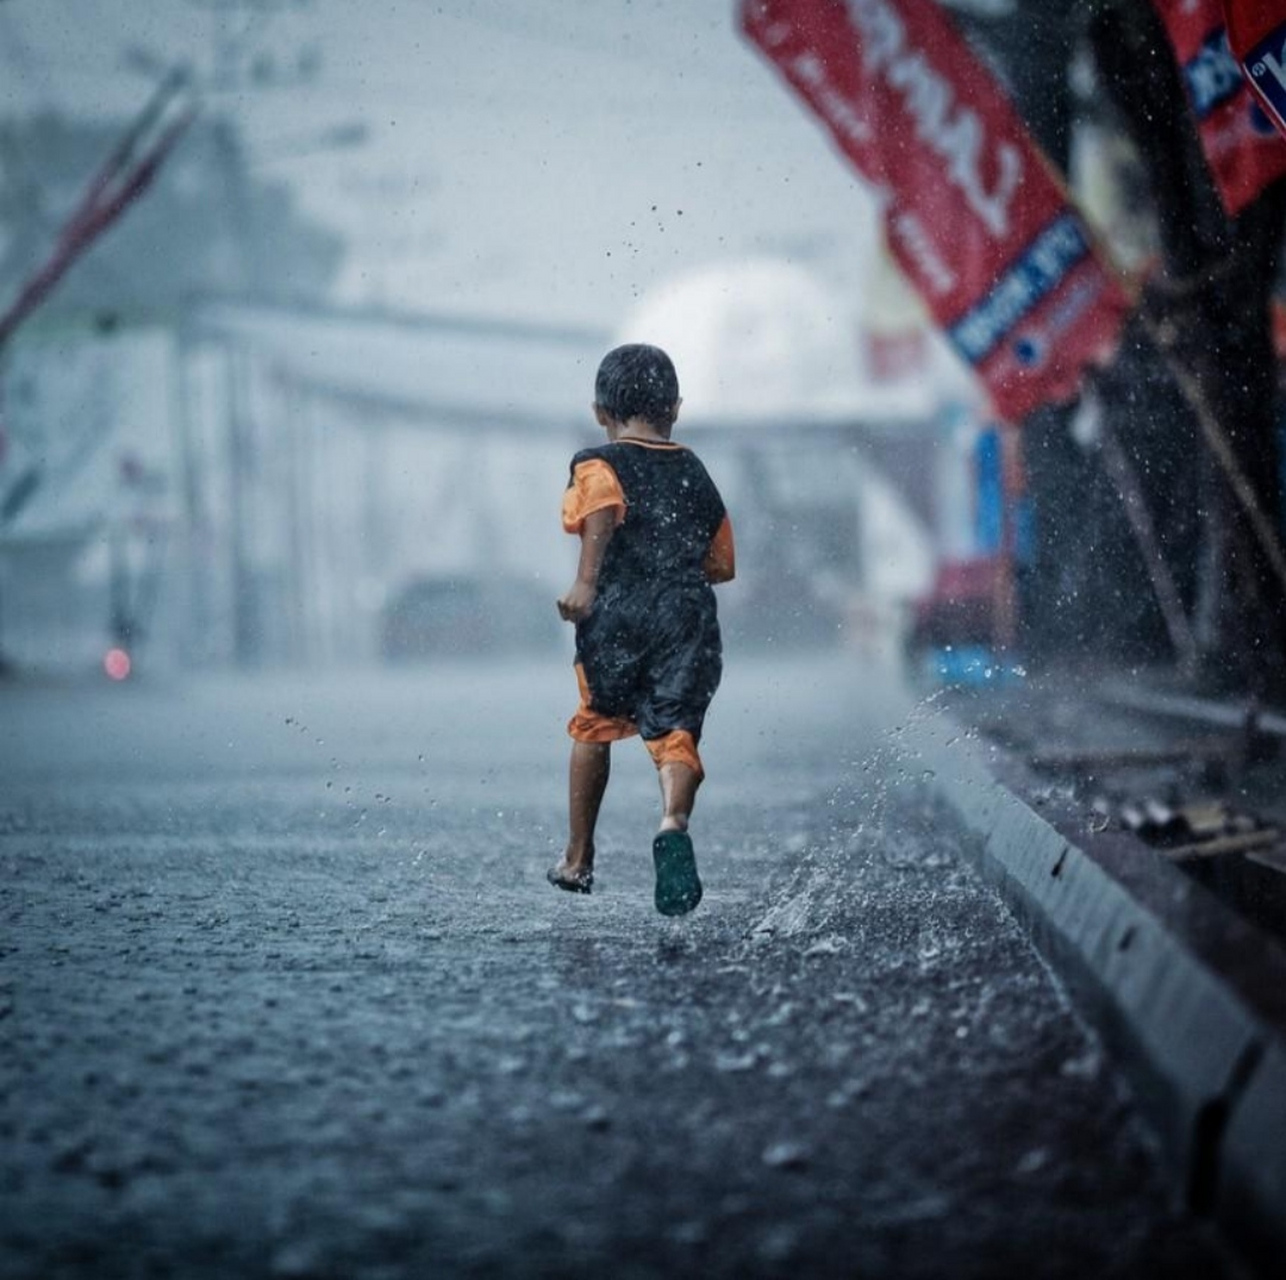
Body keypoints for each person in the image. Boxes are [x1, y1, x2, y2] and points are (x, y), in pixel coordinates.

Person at [548, 343, 735, 916]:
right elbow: (721, 561)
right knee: (677, 734)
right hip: (686, 612)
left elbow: (602, 502)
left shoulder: (596, 461)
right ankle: (673, 819)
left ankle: (579, 858)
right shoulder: (694, 468)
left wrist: (587, 582)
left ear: (601, 411)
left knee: (595, 724)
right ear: (674, 408)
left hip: (617, 614)